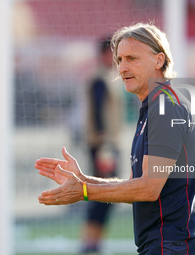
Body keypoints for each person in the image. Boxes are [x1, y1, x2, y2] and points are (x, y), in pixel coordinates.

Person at [35, 23, 195, 255]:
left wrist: (85, 190)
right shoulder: (152, 108)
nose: (122, 68)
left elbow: (149, 188)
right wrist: (84, 179)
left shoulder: (166, 107)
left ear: (159, 60)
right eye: (119, 60)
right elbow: (135, 187)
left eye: (132, 58)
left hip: (174, 247)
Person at [81, 37, 122, 254]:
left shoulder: (108, 78)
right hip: (103, 146)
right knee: (101, 194)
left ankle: (94, 244)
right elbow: (97, 113)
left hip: (106, 145)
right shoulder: (99, 79)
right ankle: (89, 244)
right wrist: (105, 144)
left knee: (107, 195)